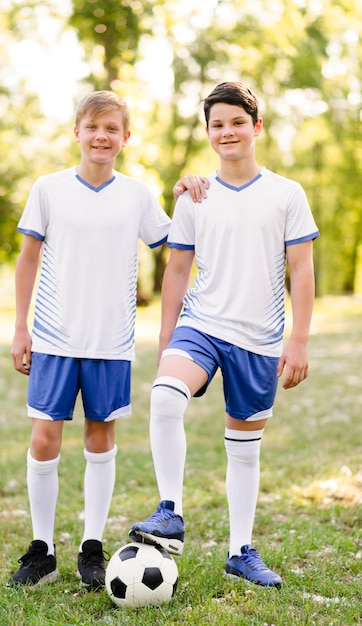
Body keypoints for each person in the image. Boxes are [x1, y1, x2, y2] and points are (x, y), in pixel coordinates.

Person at [129, 81, 319, 588]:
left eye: (237, 122)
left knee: (244, 446)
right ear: (208, 132)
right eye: (217, 124)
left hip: (259, 339)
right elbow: (176, 271)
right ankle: (169, 510)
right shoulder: (197, 195)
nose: (227, 131)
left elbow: (301, 270)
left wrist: (298, 340)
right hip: (202, 324)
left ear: (256, 127)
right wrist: (167, 338)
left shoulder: (286, 194)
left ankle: (240, 551)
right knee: (165, 397)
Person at [8, 90, 176, 589]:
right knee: (44, 439)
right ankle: (42, 549)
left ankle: (91, 547)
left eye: (111, 129)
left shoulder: (139, 194)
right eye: (92, 127)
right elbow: (28, 259)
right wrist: (21, 326)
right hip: (55, 339)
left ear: (126, 138)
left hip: (111, 343)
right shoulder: (48, 189)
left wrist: (192, 192)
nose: (101, 136)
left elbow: (178, 245)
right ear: (76, 132)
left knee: (100, 439)